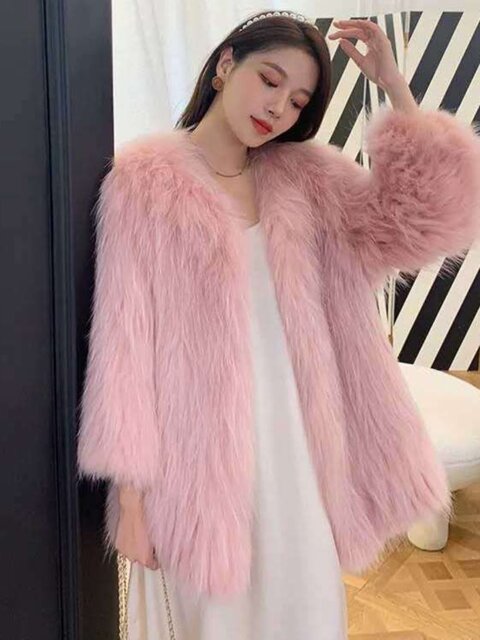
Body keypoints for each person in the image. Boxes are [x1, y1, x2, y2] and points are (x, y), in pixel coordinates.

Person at [76, 10, 480, 640]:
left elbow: (421, 221)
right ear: (225, 64)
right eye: (270, 80)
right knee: (212, 619)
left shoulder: (307, 178)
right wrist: (130, 501)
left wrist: (394, 88)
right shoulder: (142, 182)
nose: (278, 109)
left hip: (299, 447)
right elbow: (123, 346)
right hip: (196, 463)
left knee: (306, 613)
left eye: (297, 101)